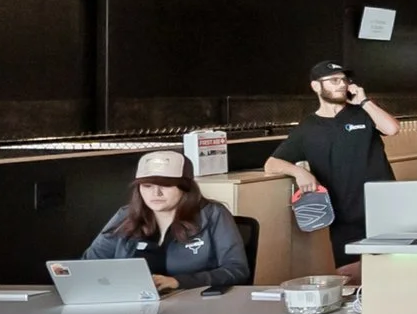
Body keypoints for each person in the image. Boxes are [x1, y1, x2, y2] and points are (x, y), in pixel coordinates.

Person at [266, 60, 399, 262]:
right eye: (334, 80)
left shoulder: (363, 113)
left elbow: (392, 129)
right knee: (350, 278)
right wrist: (300, 172)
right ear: (316, 86)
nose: (341, 84)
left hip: (383, 210)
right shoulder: (308, 128)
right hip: (343, 217)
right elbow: (272, 164)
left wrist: (364, 101)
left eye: (344, 80)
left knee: (388, 272)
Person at [81, 150, 252, 292]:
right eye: (147, 186)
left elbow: (236, 270)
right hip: (131, 306)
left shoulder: (214, 214)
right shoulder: (126, 216)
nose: (156, 194)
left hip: (196, 309)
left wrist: (178, 282)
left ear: (185, 187)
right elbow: (89, 265)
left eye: (166, 185)